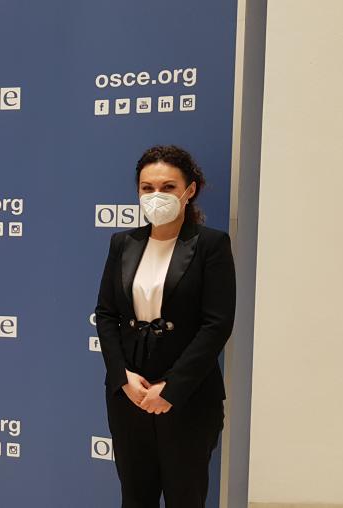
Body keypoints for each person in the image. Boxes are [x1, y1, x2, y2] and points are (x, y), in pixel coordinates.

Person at [94, 145, 236, 507]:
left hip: (187, 399)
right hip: (130, 398)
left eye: (168, 187)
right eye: (148, 188)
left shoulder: (211, 245)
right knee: (135, 497)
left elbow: (217, 325)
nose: (156, 196)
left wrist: (172, 388)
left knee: (185, 498)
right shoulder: (122, 243)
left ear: (190, 190)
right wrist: (122, 377)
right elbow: (106, 314)